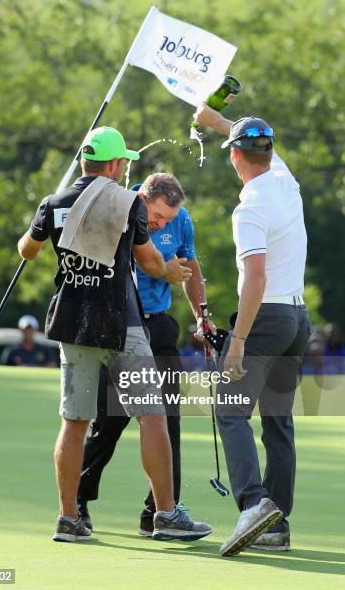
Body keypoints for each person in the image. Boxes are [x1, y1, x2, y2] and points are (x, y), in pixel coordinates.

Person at [17, 126, 212, 543]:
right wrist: (170, 270)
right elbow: (151, 262)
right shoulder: (128, 204)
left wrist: (45, 214)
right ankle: (165, 514)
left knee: (74, 422)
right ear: (113, 165)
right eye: (122, 161)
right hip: (120, 324)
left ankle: (69, 518)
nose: (125, 167)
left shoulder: (53, 203)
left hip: (70, 323)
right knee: (153, 417)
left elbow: (27, 251)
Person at [194, 106, 311, 556]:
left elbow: (255, 280)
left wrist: (237, 340)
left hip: (266, 322)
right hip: (298, 320)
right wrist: (215, 118)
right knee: (278, 423)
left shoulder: (249, 209)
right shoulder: (283, 179)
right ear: (268, 151)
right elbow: (251, 140)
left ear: (234, 158)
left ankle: (254, 505)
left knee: (229, 410)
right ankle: (277, 527)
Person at [77, 172, 215, 535]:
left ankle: (160, 511)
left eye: (167, 220)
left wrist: (202, 315)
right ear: (143, 198)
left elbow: (191, 267)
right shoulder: (119, 209)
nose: (161, 224)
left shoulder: (180, 220)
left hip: (159, 327)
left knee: (168, 418)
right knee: (109, 422)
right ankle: (78, 500)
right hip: (120, 328)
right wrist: (162, 269)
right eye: (157, 217)